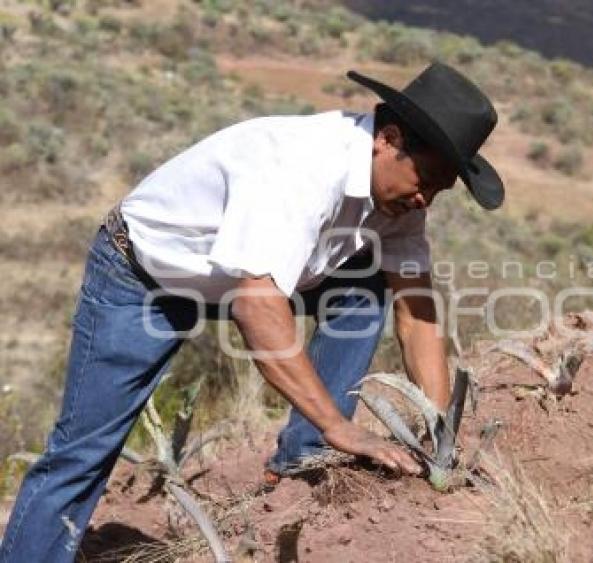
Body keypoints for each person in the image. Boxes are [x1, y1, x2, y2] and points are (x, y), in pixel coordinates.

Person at [0, 61, 503, 561]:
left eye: (439, 191)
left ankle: (303, 461)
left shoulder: (398, 197)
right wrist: (337, 423)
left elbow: (417, 312)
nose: (425, 199)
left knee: (367, 284)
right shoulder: (300, 169)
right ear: (388, 138)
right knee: (83, 452)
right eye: (426, 180)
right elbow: (257, 308)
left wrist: (440, 430)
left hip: (243, 279)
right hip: (143, 278)